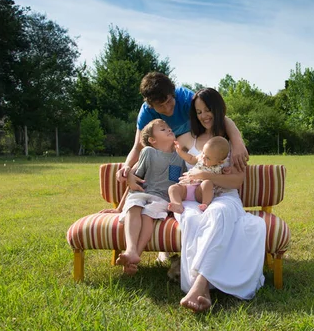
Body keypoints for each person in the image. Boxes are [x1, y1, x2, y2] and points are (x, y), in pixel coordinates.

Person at [173, 88, 266, 313]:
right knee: (193, 220)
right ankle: (202, 287)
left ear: (218, 109)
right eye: (198, 111)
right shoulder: (187, 138)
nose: (204, 115)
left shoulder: (231, 144)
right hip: (194, 197)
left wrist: (205, 175)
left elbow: (236, 182)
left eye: (208, 110)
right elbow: (153, 147)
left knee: (219, 213)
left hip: (225, 196)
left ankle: (200, 285)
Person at [116, 72, 249, 191]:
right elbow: (139, 147)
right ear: (151, 106)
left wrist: (237, 142)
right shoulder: (146, 113)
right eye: (160, 106)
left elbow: (217, 116)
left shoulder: (187, 99)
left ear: (173, 93)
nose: (167, 109)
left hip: (194, 140)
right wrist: (128, 168)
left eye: (169, 101)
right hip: (175, 146)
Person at [101, 119, 185, 275]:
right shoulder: (148, 152)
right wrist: (119, 208)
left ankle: (134, 256)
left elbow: (181, 183)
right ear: (152, 140)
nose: (168, 129)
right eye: (162, 129)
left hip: (162, 198)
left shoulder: (180, 158)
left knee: (148, 215)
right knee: (134, 205)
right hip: (142, 192)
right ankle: (130, 248)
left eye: (168, 127)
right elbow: (134, 182)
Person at [168, 136, 231, 214]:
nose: (203, 157)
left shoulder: (219, 168)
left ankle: (205, 203)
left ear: (219, 162)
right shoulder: (201, 157)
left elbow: (223, 179)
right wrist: (180, 152)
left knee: (207, 183)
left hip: (199, 192)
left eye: (208, 158)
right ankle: (177, 204)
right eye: (204, 152)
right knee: (172, 188)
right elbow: (190, 159)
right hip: (186, 187)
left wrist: (226, 171)